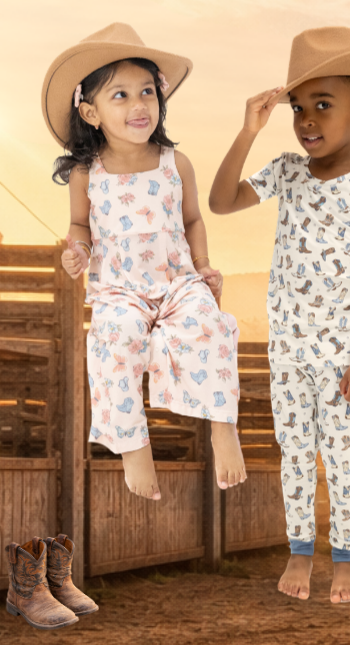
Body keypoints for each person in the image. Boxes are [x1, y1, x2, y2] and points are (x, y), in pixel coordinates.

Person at [208, 26, 350, 604]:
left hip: (345, 357)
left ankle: (347, 560)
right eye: (299, 108)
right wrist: (250, 132)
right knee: (295, 453)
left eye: (324, 105)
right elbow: (222, 202)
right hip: (288, 352)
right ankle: (300, 551)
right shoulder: (286, 171)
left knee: (344, 456)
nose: (307, 121)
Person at [46, 24, 246, 504]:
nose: (139, 105)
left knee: (211, 327)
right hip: (119, 288)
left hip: (178, 281)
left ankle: (223, 427)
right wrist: (76, 252)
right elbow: (80, 228)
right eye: (121, 95)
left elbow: (193, 218)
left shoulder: (176, 164)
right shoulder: (85, 174)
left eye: (147, 92)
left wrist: (203, 266)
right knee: (112, 342)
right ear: (90, 112)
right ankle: (132, 445)